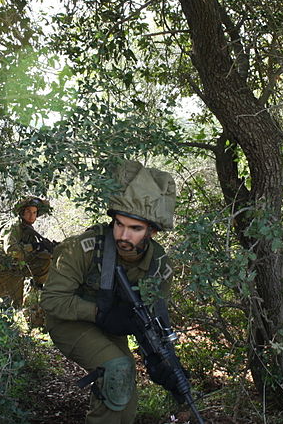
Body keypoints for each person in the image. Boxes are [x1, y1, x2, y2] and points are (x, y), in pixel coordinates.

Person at [41, 160, 176, 424]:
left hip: (110, 328)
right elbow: (52, 301)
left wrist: (164, 364)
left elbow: (155, 319)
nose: (123, 235)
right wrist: (99, 312)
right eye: (119, 224)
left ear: (152, 231)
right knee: (115, 369)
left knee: (124, 391)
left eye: (135, 228)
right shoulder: (82, 248)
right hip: (70, 323)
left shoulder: (159, 266)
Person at [0, 196, 57, 308]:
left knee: (47, 261)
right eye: (28, 212)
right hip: (6, 271)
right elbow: (11, 251)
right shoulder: (13, 226)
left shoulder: (28, 230)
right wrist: (33, 246)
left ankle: (36, 289)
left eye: (34, 212)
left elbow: (33, 256)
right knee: (9, 307)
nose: (31, 215)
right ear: (22, 212)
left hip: (19, 269)